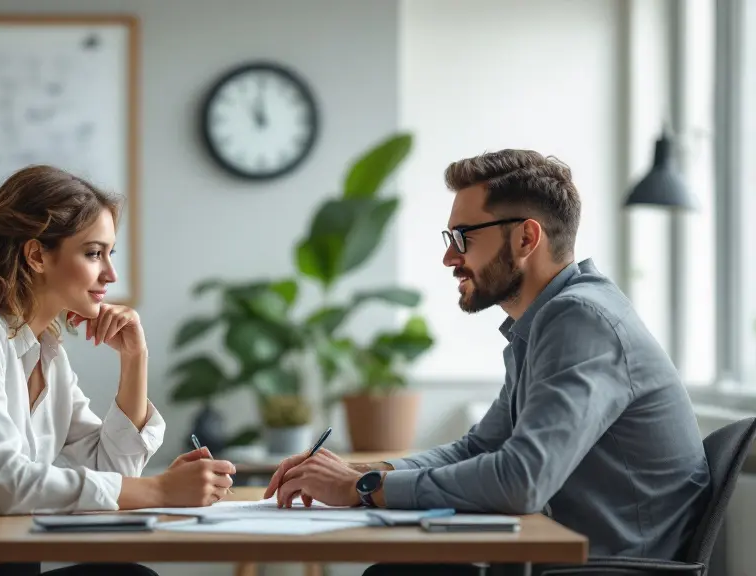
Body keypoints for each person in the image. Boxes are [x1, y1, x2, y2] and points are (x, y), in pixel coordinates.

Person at [263, 150, 711, 575]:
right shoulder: (545, 324)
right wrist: (364, 472)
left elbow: (521, 480)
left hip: (608, 571)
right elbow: (479, 448)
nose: (448, 257)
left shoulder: (580, 319)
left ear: (526, 238)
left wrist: (362, 490)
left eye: (463, 237)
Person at [0, 165, 235, 576]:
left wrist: (134, 359)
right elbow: (6, 485)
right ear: (37, 255)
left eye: (110, 254)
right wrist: (160, 489)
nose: (110, 274)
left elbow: (113, 475)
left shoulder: (46, 353)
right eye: (94, 253)